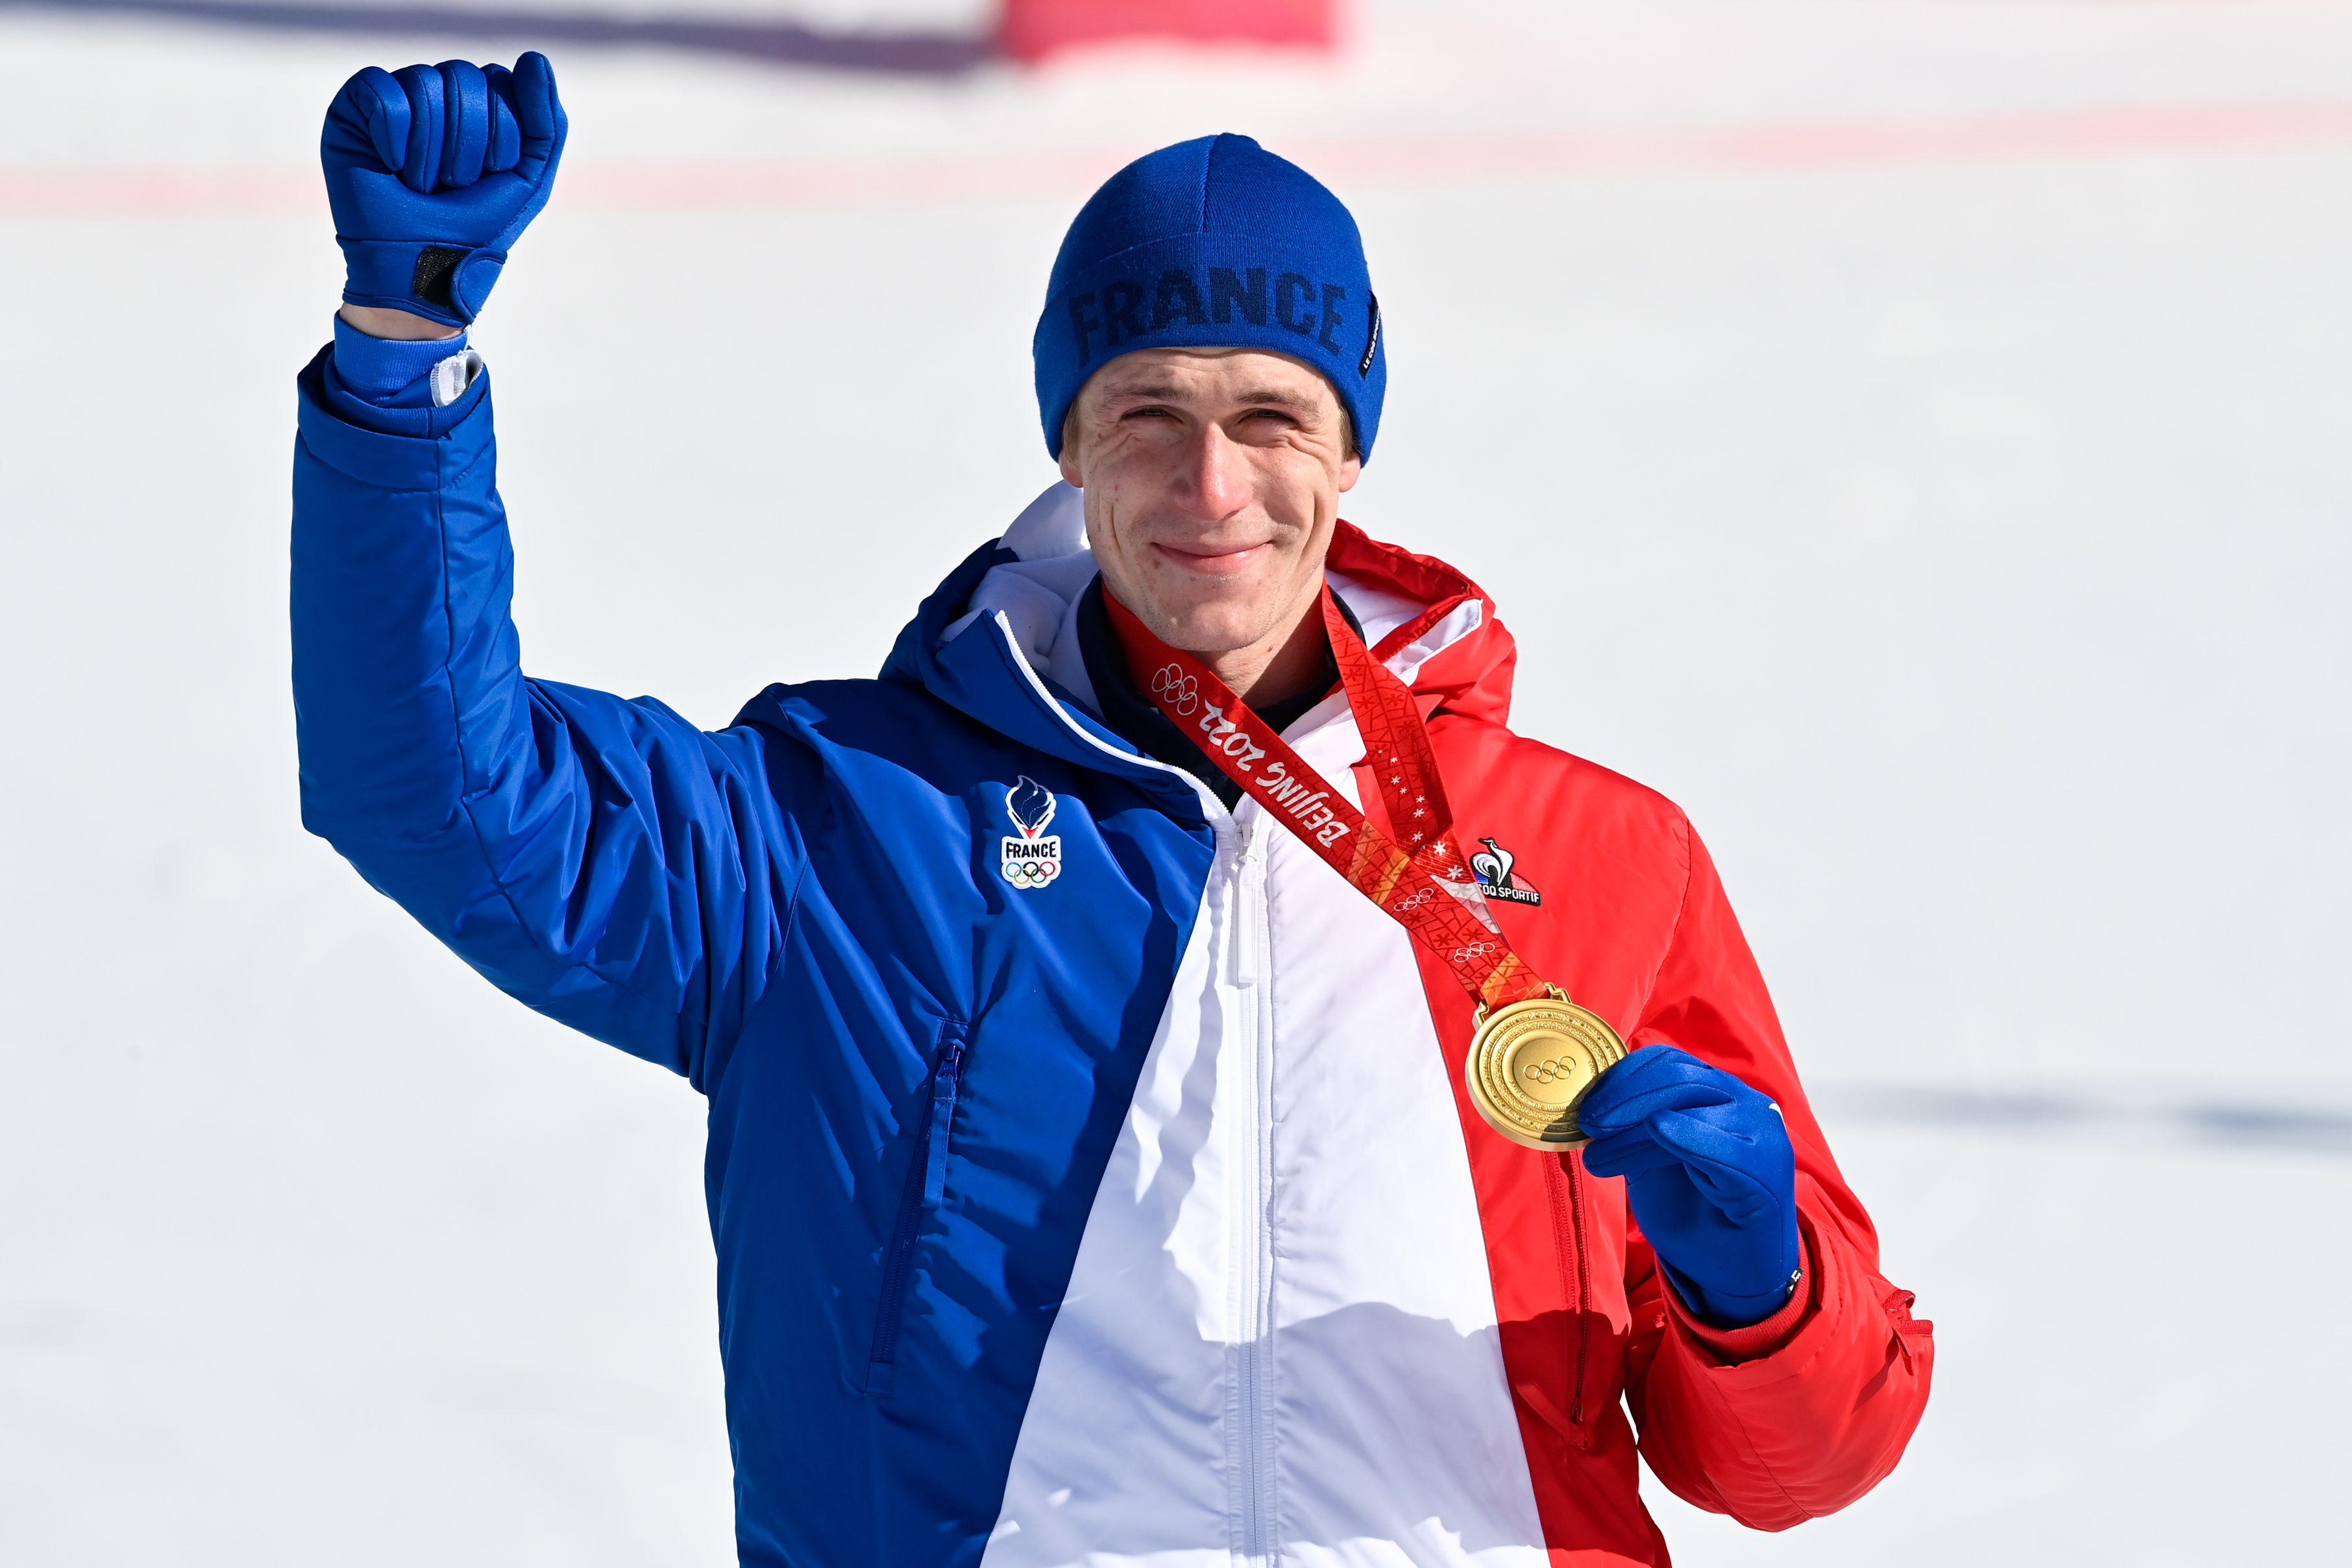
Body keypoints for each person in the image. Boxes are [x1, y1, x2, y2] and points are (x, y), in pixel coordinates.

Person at [293, 54, 1933, 1568]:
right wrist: (400, 356)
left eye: (1270, 417)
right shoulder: (840, 821)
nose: (1210, 485)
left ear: (1350, 450)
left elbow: (1804, 1464)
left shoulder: (1599, 862)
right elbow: (433, 787)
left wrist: (1761, 1289)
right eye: (1148, 414)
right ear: (1067, 441)